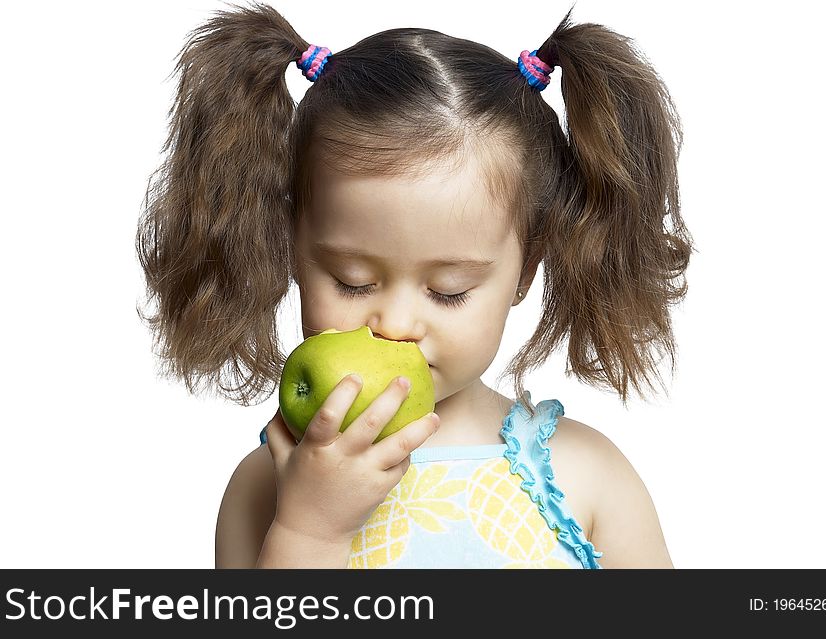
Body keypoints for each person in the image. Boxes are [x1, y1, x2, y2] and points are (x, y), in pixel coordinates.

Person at [136, 2, 693, 569]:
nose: (396, 324)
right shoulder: (269, 484)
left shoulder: (588, 476)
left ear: (526, 271)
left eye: (448, 290)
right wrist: (308, 532)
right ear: (291, 253)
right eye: (353, 282)